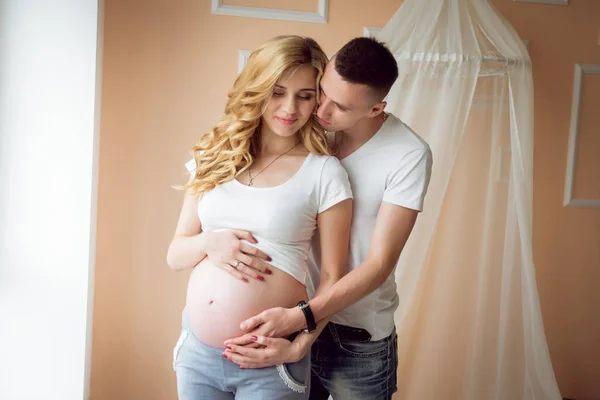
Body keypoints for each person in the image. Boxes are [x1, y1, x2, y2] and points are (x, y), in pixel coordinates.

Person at [221, 37, 433, 400]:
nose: (323, 111)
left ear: (376, 108)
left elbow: (379, 263)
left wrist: (305, 319)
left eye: (341, 107)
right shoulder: (306, 126)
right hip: (284, 318)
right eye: (322, 92)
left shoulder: (408, 154)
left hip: (356, 336)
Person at [166, 35, 353, 400]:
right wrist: (209, 243)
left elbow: (333, 278)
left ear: (319, 98)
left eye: (305, 95)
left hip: (271, 361)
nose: (289, 108)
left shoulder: (324, 172)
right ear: (257, 88)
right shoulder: (213, 155)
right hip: (197, 355)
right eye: (277, 91)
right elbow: (175, 255)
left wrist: (300, 345)